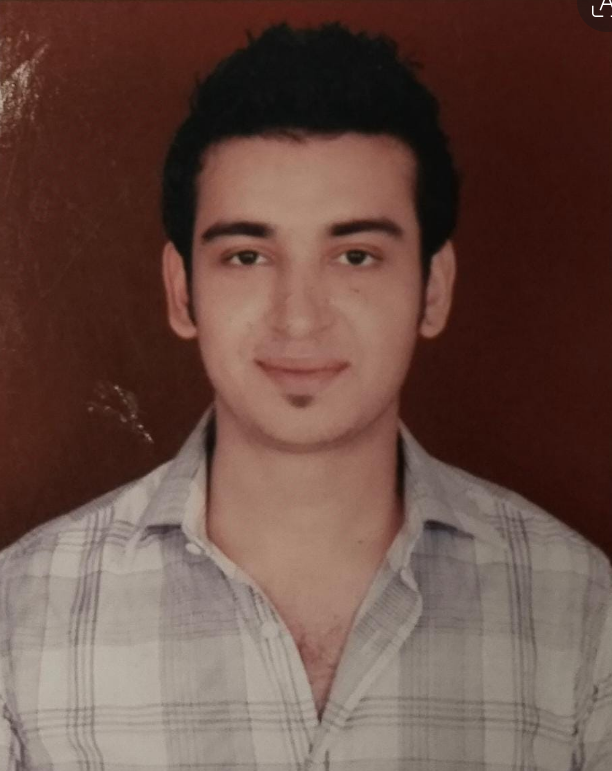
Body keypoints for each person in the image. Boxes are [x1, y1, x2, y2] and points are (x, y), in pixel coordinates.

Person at [1, 21, 610, 771]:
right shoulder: (22, 615)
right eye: (246, 256)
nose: (298, 317)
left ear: (433, 288)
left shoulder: (581, 608)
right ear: (182, 292)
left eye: (355, 255)